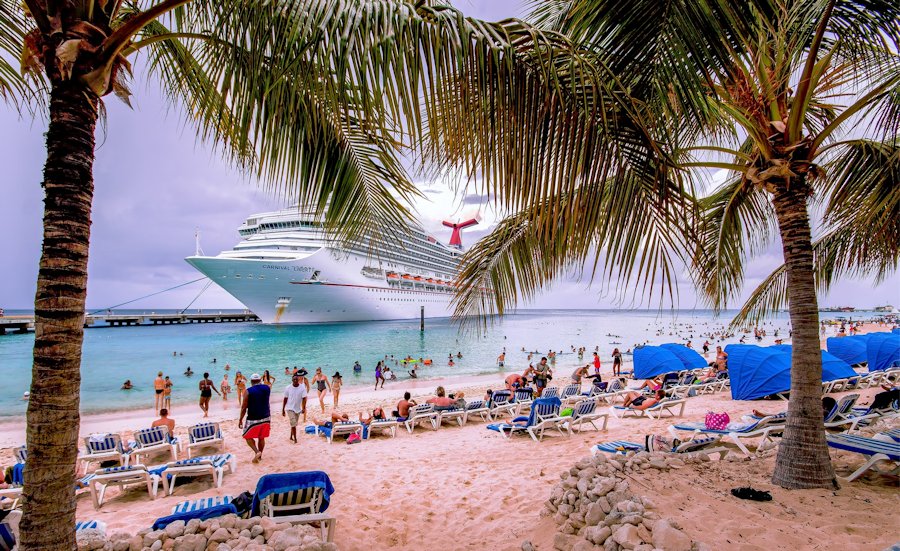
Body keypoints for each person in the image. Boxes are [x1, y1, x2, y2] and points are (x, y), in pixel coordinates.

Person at [239, 373, 271, 463]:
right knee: (261, 437)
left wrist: (240, 419)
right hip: (266, 416)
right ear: (260, 380)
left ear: (251, 381)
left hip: (253, 418)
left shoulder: (248, 391)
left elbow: (244, 407)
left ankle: (257, 452)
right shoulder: (267, 388)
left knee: (246, 435)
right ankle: (260, 456)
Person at [282, 373, 309, 443]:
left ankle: (291, 436)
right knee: (293, 422)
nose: (295, 380)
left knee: (294, 424)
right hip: (289, 408)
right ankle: (295, 439)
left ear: (298, 379)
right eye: (294, 379)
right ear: (292, 380)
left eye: (296, 379)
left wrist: (304, 408)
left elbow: (304, 398)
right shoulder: (288, 388)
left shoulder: (302, 388)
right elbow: (285, 399)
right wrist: (283, 409)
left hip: (297, 409)